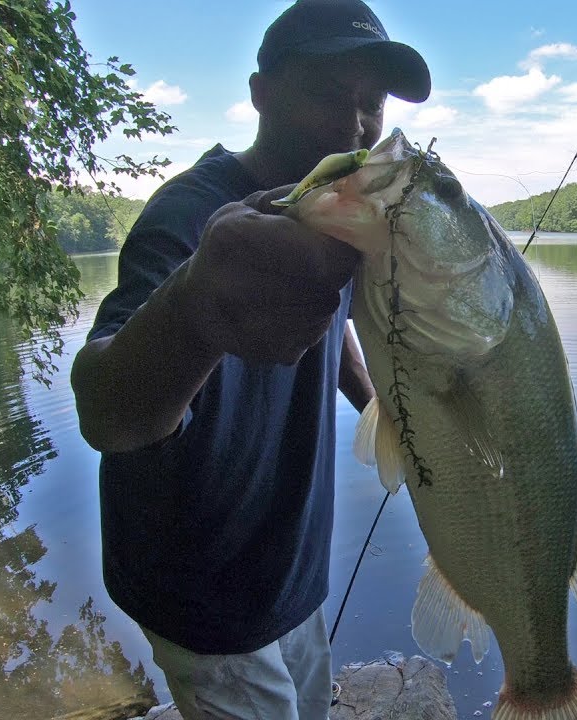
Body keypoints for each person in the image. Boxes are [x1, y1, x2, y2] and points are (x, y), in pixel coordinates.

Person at [69, 1, 431, 717]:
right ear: (260, 92)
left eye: (371, 104)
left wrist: (378, 407)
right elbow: (105, 409)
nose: (353, 125)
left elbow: (328, 324)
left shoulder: (330, 207)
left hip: (291, 574)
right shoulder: (188, 215)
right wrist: (196, 302)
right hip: (202, 590)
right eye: (330, 94)